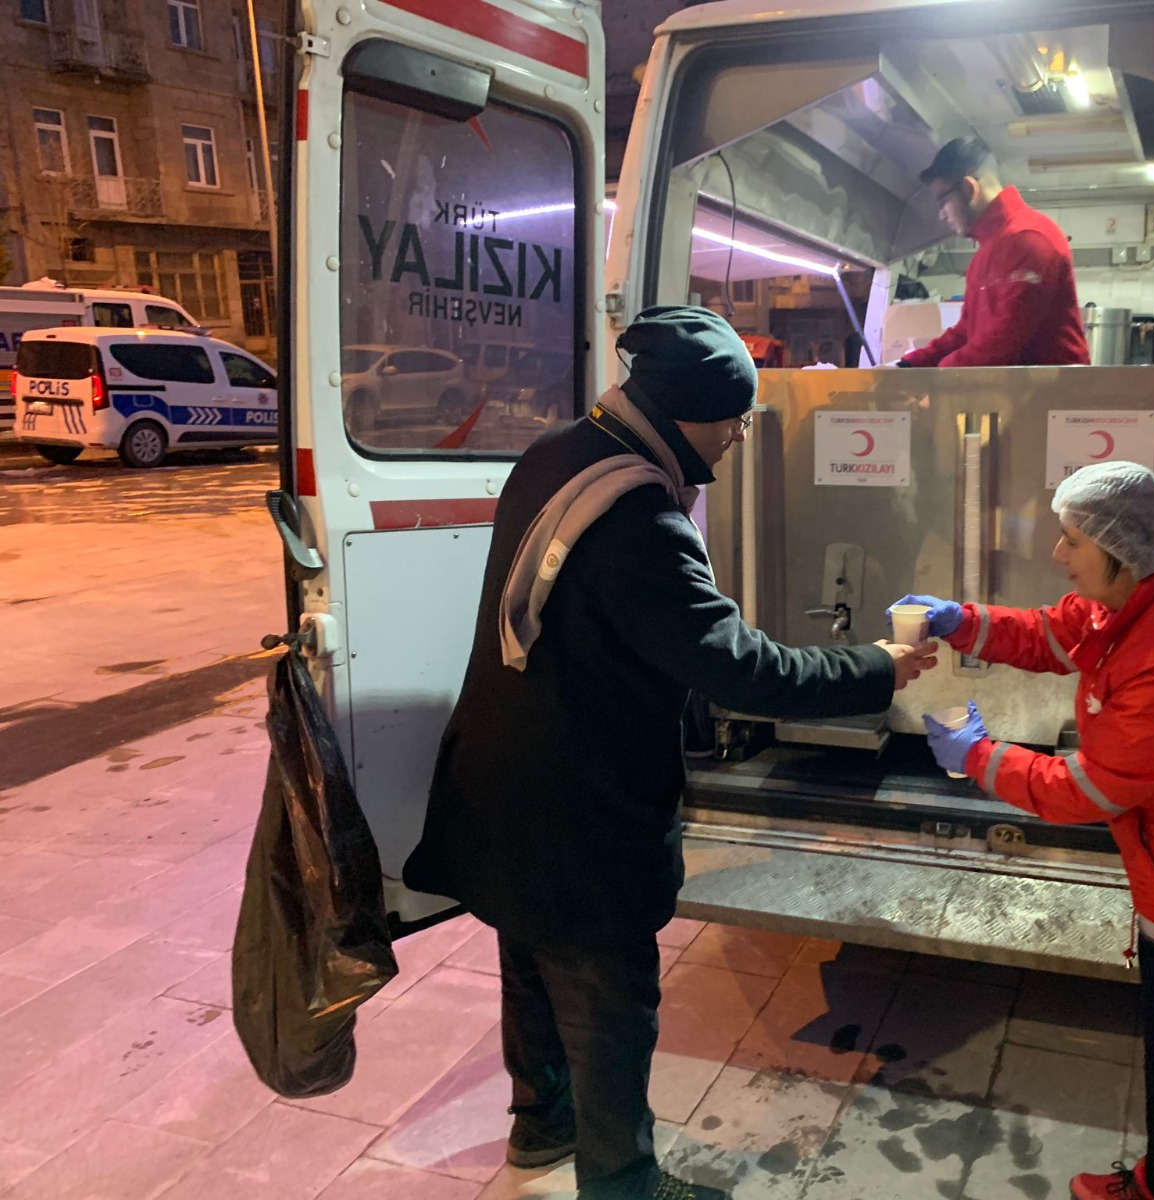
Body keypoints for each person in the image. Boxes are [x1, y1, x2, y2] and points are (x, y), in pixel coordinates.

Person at [405, 306, 937, 1200]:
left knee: (530, 970)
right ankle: (624, 1184)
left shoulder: (557, 453)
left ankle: (542, 1131)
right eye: (733, 418)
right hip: (578, 814)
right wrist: (876, 668)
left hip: (497, 783)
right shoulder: (639, 517)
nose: (738, 436)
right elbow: (740, 669)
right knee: (609, 1009)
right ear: (688, 411)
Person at [894, 462, 1154, 1200]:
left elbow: (1091, 789)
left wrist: (979, 758)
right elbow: (1059, 632)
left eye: (1072, 541)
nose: (1058, 554)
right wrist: (964, 621)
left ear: (1119, 551)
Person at [896, 136, 1089, 368]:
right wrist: (908, 366)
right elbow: (966, 332)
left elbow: (1005, 342)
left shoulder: (1029, 239)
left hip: (1054, 390)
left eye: (942, 201)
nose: (942, 215)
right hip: (1019, 388)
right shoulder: (987, 252)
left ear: (969, 188)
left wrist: (939, 374)